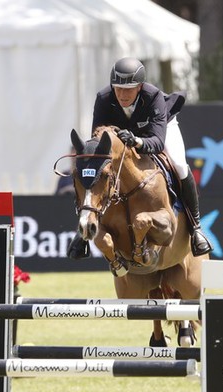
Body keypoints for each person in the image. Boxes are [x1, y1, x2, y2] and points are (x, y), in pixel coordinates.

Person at [67, 57, 212, 259]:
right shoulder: (103, 98)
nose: (122, 94)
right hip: (122, 139)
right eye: (118, 89)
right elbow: (98, 138)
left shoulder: (153, 97)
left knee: (179, 165)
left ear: (140, 86)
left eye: (129, 89)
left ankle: (196, 228)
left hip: (158, 131)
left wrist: (137, 142)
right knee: (99, 172)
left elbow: (158, 142)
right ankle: (83, 231)